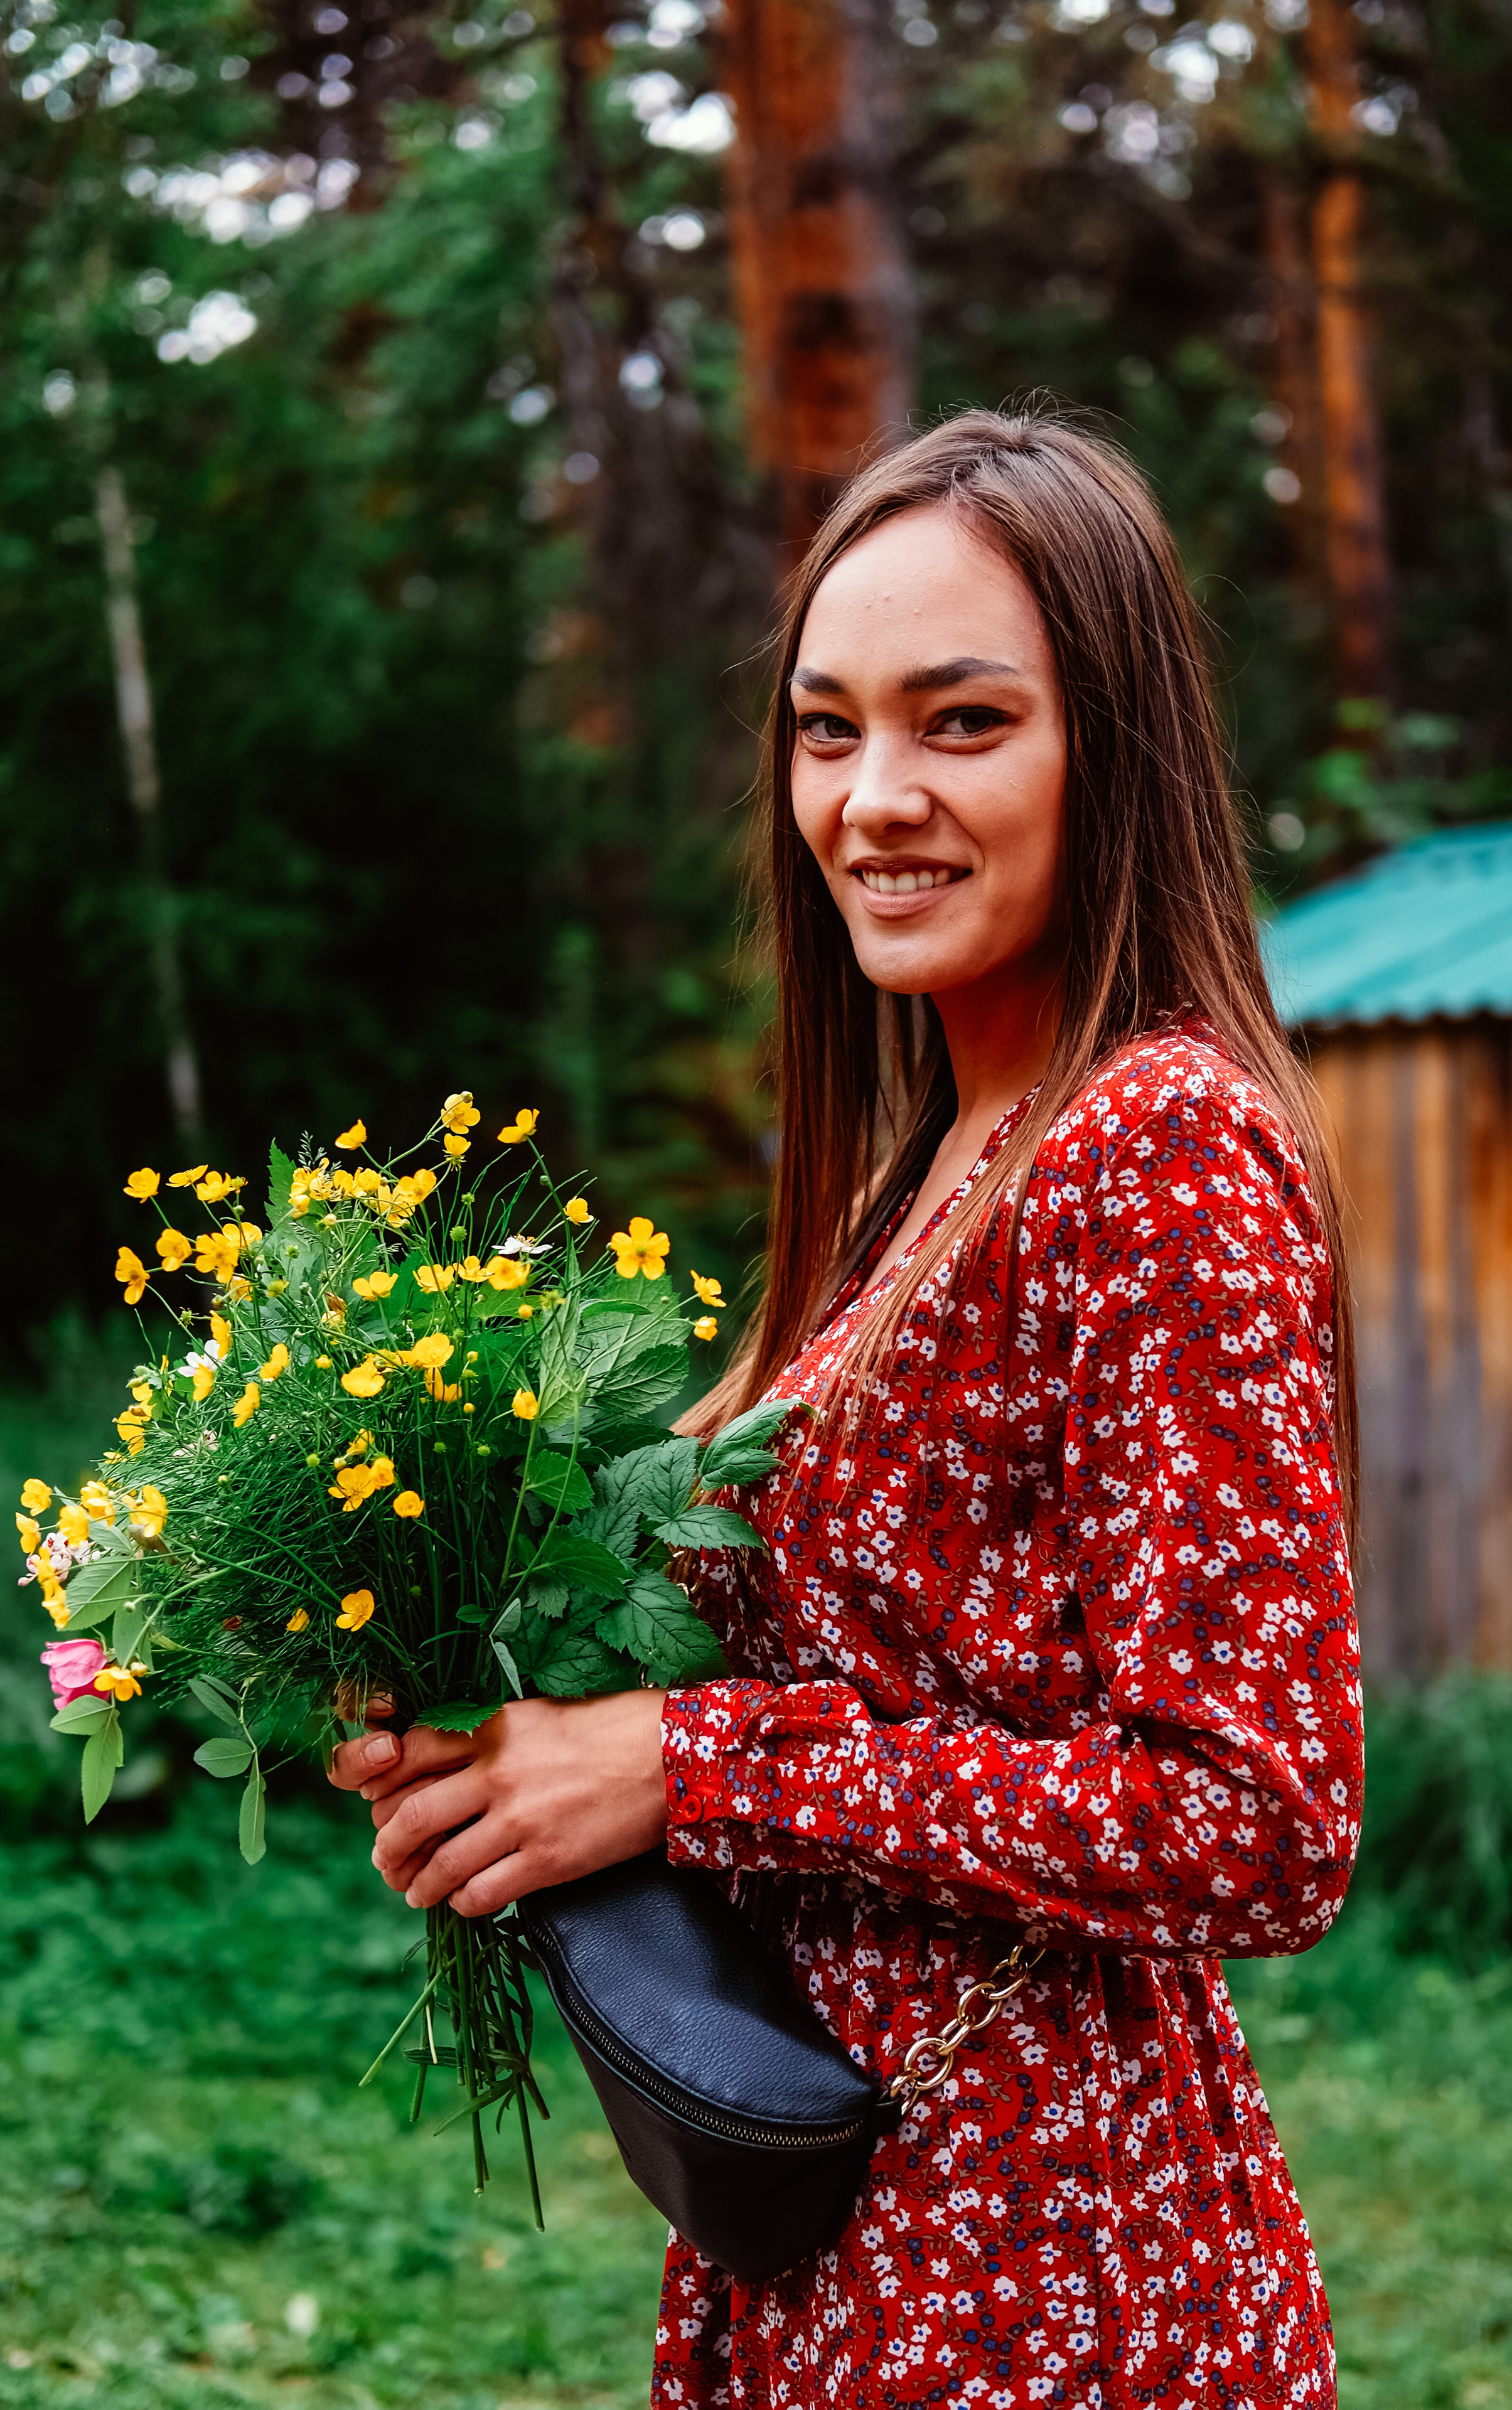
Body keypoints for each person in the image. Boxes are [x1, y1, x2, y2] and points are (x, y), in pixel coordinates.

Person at [330, 409, 1364, 2410]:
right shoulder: (942, 1154)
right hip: (844, 2198)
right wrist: (499, 1727)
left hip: (1042, 2255)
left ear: (1113, 747)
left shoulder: (1154, 1146)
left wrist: (689, 1768)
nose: (873, 799)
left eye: (961, 722)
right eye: (826, 729)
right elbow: (856, 1667)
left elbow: (1263, 1820)